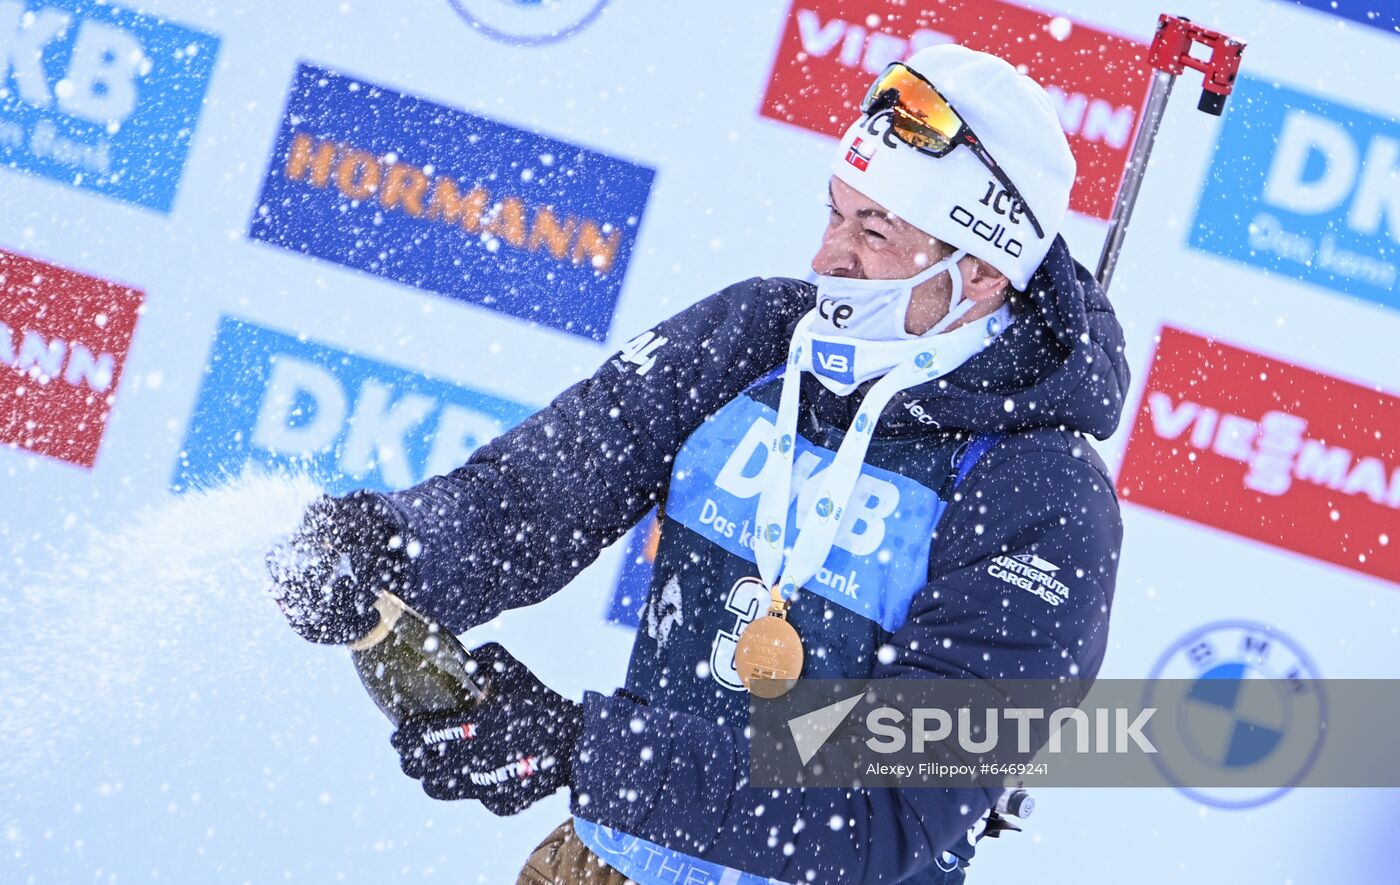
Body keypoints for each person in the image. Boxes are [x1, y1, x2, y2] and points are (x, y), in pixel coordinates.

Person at [266, 44, 1128, 884]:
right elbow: (539, 492)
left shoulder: (1044, 492)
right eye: (835, 211)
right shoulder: (754, 336)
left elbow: (885, 802)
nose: (830, 255)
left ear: (977, 271)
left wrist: (585, 747)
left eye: (874, 230)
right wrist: (398, 547)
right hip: (609, 863)